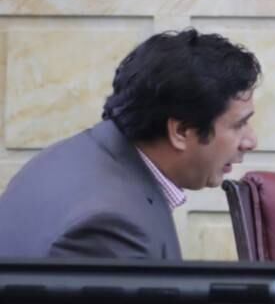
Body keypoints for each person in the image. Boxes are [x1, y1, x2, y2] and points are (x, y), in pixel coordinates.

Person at [0, 28, 260, 259]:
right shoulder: (112, 225)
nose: (251, 141)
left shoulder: (72, 156)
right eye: (239, 124)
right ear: (180, 131)